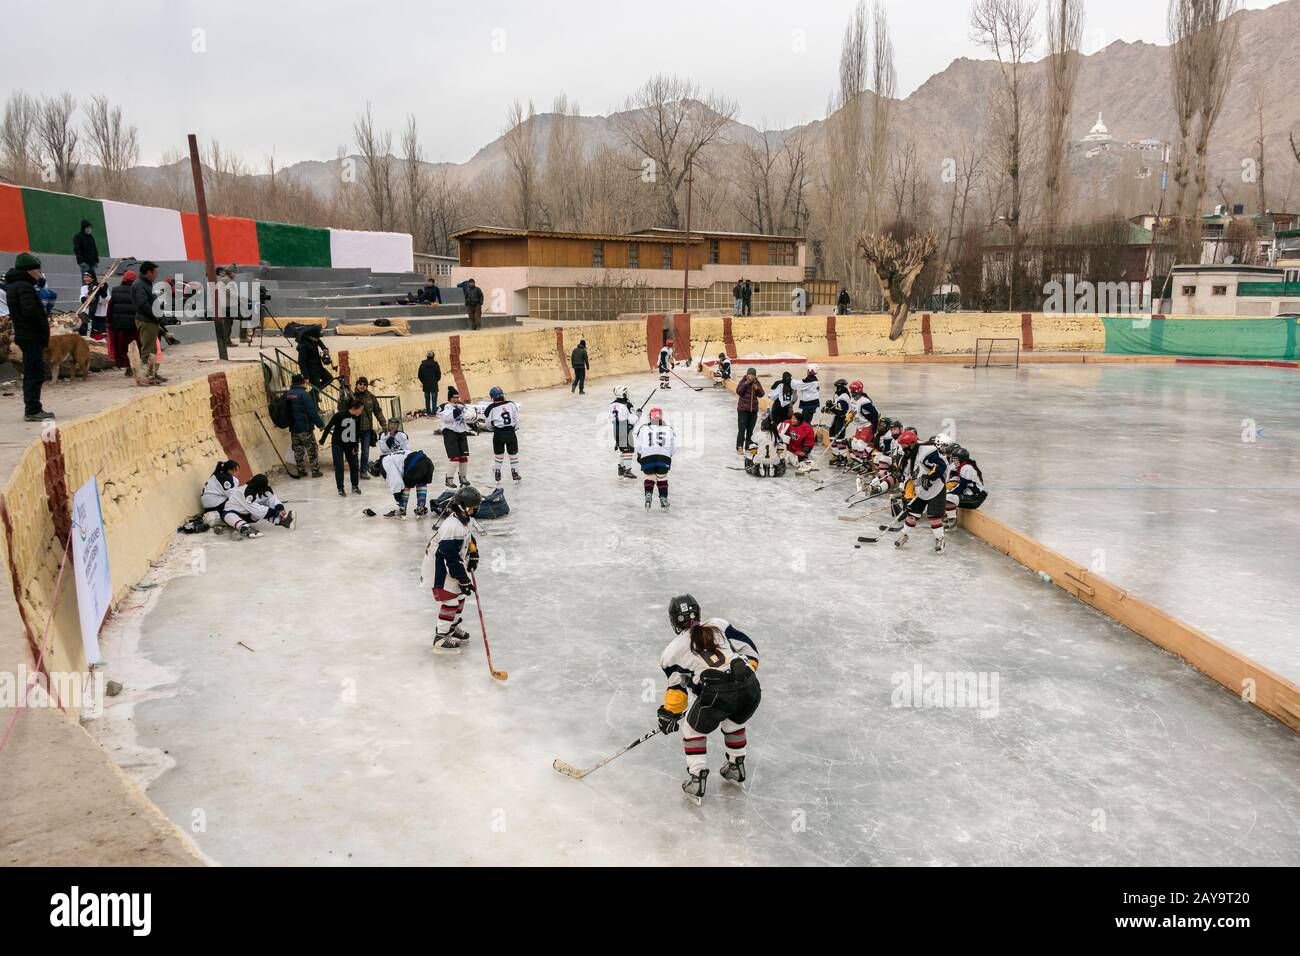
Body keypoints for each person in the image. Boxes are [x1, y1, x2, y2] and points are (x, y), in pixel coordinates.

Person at [657, 594, 761, 803]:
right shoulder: (718, 625)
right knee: (733, 721)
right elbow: (750, 651)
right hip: (750, 689)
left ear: (673, 620)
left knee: (691, 729)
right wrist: (738, 677)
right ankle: (735, 767)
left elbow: (677, 692)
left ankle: (696, 780)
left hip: (717, 695)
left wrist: (669, 714)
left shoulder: (671, 652)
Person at [420, 485, 482, 652]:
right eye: (475, 506)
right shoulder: (451, 527)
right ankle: (441, 636)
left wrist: (473, 552)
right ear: (464, 506)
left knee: (461, 597)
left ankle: (451, 628)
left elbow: (468, 537)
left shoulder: (464, 519)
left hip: (452, 565)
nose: (477, 509)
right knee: (450, 601)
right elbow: (450, 558)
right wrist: (462, 578)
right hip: (440, 569)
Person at [4, 253, 54, 421]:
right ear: (29, 271)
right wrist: (42, 325)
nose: (39, 273)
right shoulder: (24, 287)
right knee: (35, 373)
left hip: (26, 335)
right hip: (31, 336)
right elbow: (30, 311)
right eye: (37, 270)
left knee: (32, 372)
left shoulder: (15, 285)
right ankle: (33, 410)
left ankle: (33, 407)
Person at [891, 432, 950, 553]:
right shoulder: (906, 457)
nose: (902, 448)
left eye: (904, 445)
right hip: (920, 489)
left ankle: (940, 539)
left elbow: (941, 466)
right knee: (912, 515)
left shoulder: (927, 451)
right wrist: (908, 496)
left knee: (934, 517)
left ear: (912, 444)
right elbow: (908, 479)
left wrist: (929, 478)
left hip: (936, 488)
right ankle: (904, 535)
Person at [131, 261, 169, 385]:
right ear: (148, 272)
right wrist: (156, 314)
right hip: (146, 320)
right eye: (155, 272)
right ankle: (145, 376)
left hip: (151, 320)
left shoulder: (146, 284)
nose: (156, 275)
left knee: (152, 350)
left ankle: (152, 374)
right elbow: (143, 304)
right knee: (148, 350)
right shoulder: (139, 285)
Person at [371, 448, 435, 518]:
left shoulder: (385, 463)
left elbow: (397, 483)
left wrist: (398, 499)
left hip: (416, 466)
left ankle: (401, 511)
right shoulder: (393, 455)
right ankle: (421, 508)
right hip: (428, 462)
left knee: (406, 485)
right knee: (421, 483)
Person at [320, 398, 365, 497]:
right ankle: (340, 488)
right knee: (339, 466)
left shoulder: (358, 417)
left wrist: (356, 446)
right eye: (360, 409)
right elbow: (328, 427)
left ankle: (355, 486)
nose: (361, 411)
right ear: (354, 408)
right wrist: (322, 440)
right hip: (338, 444)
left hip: (350, 444)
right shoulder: (340, 415)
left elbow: (357, 432)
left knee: (354, 465)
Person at [225, 473, 296, 534]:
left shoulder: (263, 489)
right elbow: (256, 510)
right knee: (229, 515)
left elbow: (271, 499)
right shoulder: (245, 492)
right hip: (234, 512)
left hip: (248, 515)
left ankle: (283, 521)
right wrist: (276, 513)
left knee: (264, 508)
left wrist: (279, 508)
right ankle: (244, 528)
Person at [635, 406, 676, 511]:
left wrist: (640, 455)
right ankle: (663, 499)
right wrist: (668, 455)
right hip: (664, 457)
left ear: (650, 417)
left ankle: (648, 495)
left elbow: (638, 445)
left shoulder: (643, 428)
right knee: (662, 477)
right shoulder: (669, 429)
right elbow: (674, 447)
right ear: (661, 417)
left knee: (649, 476)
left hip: (647, 457)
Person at [437, 386, 478, 489]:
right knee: (454, 457)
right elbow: (445, 417)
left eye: (457, 397)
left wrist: (470, 416)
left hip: (462, 432)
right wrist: (457, 411)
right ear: (450, 398)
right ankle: (449, 479)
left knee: (464, 457)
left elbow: (471, 417)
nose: (456, 399)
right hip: (450, 432)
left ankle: (463, 477)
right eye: (454, 397)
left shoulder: (462, 406)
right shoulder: (445, 406)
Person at [286, 373, 325, 478]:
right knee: (311, 449)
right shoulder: (304, 394)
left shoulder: (288, 394)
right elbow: (311, 411)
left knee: (298, 450)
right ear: (301, 383)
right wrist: (320, 424)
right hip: (305, 428)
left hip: (294, 428)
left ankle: (301, 470)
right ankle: (315, 471)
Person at [483, 385, 521, 483]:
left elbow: (488, 424)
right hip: (510, 432)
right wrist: (514, 428)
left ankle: (497, 472)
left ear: (492, 397)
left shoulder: (491, 408)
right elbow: (516, 419)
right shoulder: (511, 404)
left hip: (498, 433)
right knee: (513, 454)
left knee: (499, 455)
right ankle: (515, 472)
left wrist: (493, 429)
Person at [348, 376, 384, 476]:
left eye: (364, 384)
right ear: (357, 385)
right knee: (353, 451)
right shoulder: (351, 396)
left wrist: (384, 425)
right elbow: (343, 409)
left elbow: (378, 411)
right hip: (353, 428)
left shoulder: (371, 397)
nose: (362, 386)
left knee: (365, 451)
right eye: (360, 384)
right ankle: (354, 471)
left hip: (367, 429)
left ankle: (363, 471)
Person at [107, 270, 140, 376]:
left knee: (123, 347)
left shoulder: (115, 291)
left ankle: (127, 366)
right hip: (135, 325)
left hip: (120, 325)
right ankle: (134, 366)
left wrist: (109, 322)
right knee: (136, 346)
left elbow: (110, 308)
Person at [199, 460, 241, 529]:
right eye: (236, 470)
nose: (238, 473)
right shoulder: (224, 478)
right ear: (230, 470)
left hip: (209, 507)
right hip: (215, 506)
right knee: (238, 505)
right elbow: (233, 496)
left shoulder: (219, 475)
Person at [610, 385, 640, 479]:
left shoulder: (612, 404)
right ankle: (627, 470)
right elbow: (632, 420)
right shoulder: (628, 404)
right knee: (629, 451)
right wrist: (638, 414)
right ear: (623, 394)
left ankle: (621, 468)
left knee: (624, 450)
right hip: (625, 430)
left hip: (616, 429)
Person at [297, 324, 333, 392]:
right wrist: (306, 376)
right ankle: (313, 397)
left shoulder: (313, 339)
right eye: (315, 338)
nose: (317, 339)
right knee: (317, 386)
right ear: (311, 336)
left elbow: (318, 340)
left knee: (329, 378)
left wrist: (323, 348)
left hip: (318, 366)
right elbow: (301, 362)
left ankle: (313, 395)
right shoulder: (303, 346)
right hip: (311, 370)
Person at [735, 368, 763, 453]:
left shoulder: (756, 383)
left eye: (752, 374)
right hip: (743, 410)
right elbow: (739, 391)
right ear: (747, 374)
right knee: (742, 429)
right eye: (749, 374)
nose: (750, 376)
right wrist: (746, 383)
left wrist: (756, 388)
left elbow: (761, 394)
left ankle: (748, 446)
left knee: (750, 430)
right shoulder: (743, 381)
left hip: (753, 411)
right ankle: (739, 446)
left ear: (755, 376)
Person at [79, 272, 109, 339]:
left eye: (87, 277)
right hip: (88, 314)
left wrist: (99, 294)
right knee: (87, 332)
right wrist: (86, 299)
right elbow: (81, 297)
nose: (85, 279)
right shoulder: (84, 287)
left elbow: (107, 299)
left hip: (100, 315)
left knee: (99, 334)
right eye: (84, 277)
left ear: (92, 278)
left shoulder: (102, 286)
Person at [72, 219, 100, 283]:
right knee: (86, 282)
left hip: (92, 263)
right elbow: (77, 250)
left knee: (94, 281)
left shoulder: (91, 237)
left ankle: (93, 292)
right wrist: (81, 261)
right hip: (84, 264)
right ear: (83, 228)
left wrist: (96, 260)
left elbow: (94, 249)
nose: (89, 229)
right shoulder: (78, 237)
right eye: (87, 228)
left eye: (90, 228)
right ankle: (85, 292)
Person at [417, 351, 441, 415]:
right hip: (433, 384)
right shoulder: (435, 364)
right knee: (434, 400)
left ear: (427, 356)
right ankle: (434, 412)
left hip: (426, 385)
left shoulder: (422, 364)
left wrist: (423, 381)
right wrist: (436, 381)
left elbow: (419, 375)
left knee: (427, 400)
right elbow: (438, 375)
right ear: (433, 356)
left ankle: (428, 412)